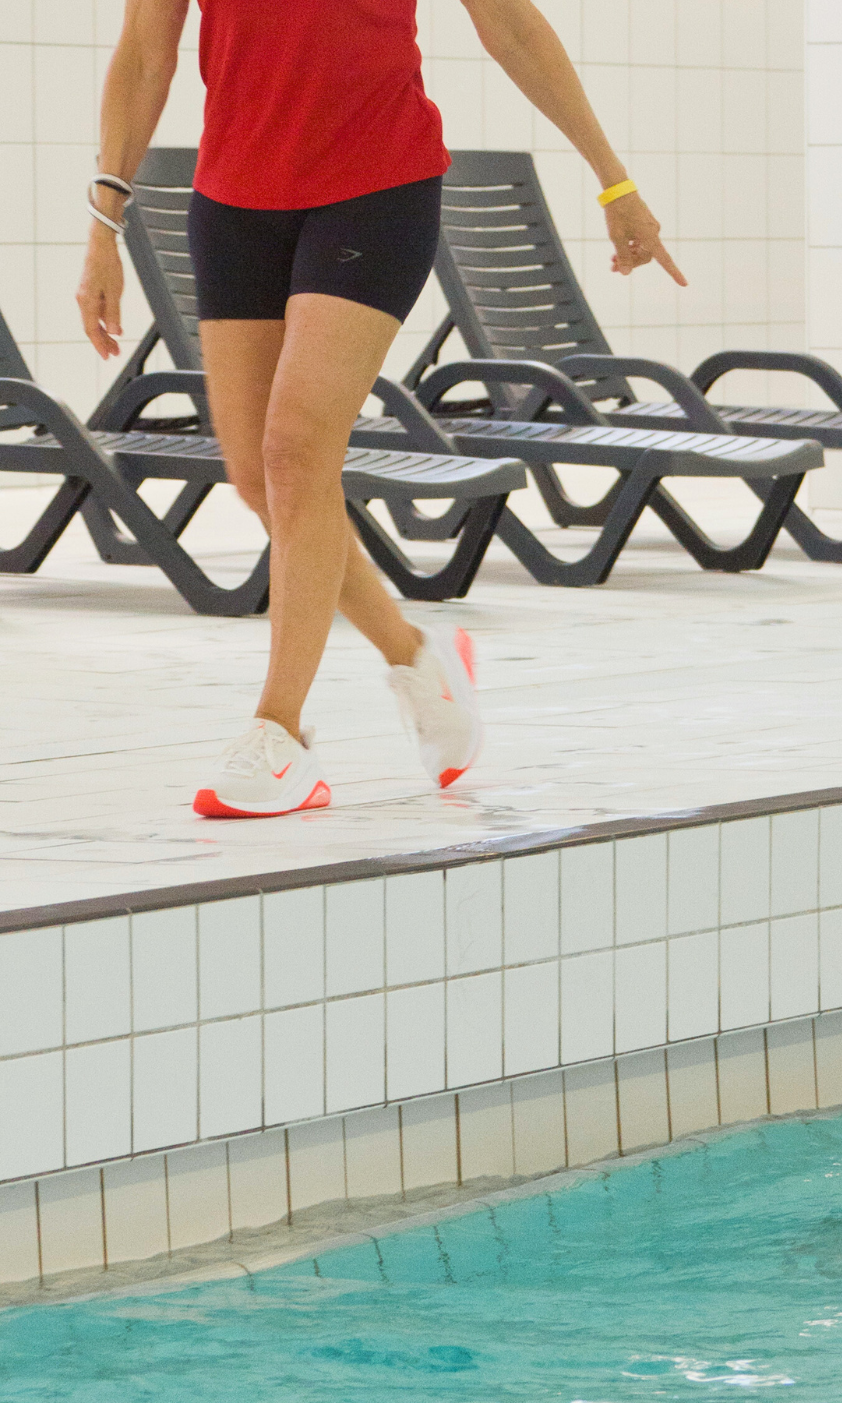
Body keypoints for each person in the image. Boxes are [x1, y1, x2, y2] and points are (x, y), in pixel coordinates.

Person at [77, 0, 685, 818]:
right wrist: (103, 227)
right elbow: (145, 53)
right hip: (234, 200)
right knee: (259, 479)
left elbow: (511, 26)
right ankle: (418, 658)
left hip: (376, 186)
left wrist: (615, 181)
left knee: (296, 453)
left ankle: (279, 733)